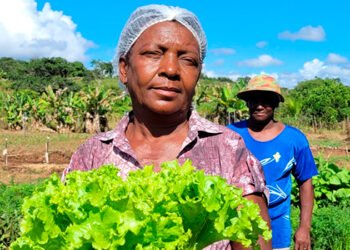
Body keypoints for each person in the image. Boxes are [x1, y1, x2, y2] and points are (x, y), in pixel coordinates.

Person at [63, 5, 271, 249]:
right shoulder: (92, 155)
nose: (171, 69)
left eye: (188, 60)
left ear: (198, 74)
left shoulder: (227, 149)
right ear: (123, 69)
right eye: (153, 53)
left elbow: (253, 239)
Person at [228, 75, 318, 250]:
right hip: (235, 228)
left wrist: (304, 228)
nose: (259, 105)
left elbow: (306, 182)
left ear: (276, 103)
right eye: (254, 99)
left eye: (267, 100)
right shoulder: (230, 135)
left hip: (277, 230)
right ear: (247, 102)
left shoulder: (294, 139)